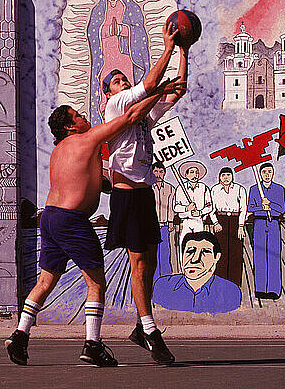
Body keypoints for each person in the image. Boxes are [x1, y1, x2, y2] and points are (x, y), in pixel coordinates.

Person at [4, 79, 185, 367]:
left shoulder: (59, 151)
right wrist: (160, 91)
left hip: (49, 217)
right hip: (71, 220)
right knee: (97, 283)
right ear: (69, 126)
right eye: (78, 115)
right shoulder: (87, 139)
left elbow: (89, 181)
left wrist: (112, 184)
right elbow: (129, 117)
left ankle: (20, 335)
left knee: (45, 280)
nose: (84, 116)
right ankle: (92, 344)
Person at [101, 20, 189, 365]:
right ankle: (152, 332)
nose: (123, 82)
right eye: (117, 81)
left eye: (125, 78)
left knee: (149, 263)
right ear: (108, 93)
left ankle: (141, 325)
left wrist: (185, 50)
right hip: (126, 193)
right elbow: (151, 85)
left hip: (144, 196)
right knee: (138, 263)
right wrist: (167, 45)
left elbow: (176, 88)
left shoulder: (142, 113)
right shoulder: (115, 107)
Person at [153, 231, 241, 313]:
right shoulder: (163, 287)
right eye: (190, 251)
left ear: (216, 257)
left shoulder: (229, 291)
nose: (195, 259)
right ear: (182, 255)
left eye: (205, 252)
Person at [247, 163, 285, 300]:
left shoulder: (279, 189)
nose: (267, 174)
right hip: (259, 222)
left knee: (274, 254)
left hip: (274, 222)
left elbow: (282, 208)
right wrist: (262, 208)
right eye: (264, 172)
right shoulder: (254, 189)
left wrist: (270, 204)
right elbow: (250, 208)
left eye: (269, 172)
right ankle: (261, 289)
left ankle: (274, 290)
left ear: (273, 173)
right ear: (260, 174)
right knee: (260, 255)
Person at [210, 167, 248, 287]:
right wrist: (215, 222)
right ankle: (220, 285)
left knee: (236, 254)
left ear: (232, 176)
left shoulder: (239, 189)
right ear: (219, 177)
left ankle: (235, 285)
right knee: (220, 253)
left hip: (235, 221)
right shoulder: (215, 190)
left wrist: (240, 225)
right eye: (223, 175)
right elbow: (211, 208)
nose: (226, 178)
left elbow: (243, 209)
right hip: (220, 220)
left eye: (228, 175)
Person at [173, 160, 212, 248]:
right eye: (192, 172)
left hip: (199, 220)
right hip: (186, 221)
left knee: (199, 246)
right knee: (185, 245)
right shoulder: (180, 188)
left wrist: (200, 212)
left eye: (196, 173)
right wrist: (186, 208)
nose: (195, 175)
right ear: (186, 175)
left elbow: (209, 206)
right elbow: (175, 207)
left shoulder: (204, 188)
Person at [152, 161, 175, 281]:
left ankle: (166, 279)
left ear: (164, 173)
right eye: (156, 171)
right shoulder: (148, 188)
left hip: (165, 225)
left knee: (165, 252)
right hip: (151, 226)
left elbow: (171, 206)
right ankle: (154, 280)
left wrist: (171, 221)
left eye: (161, 171)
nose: (158, 174)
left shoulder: (170, 188)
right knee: (153, 253)